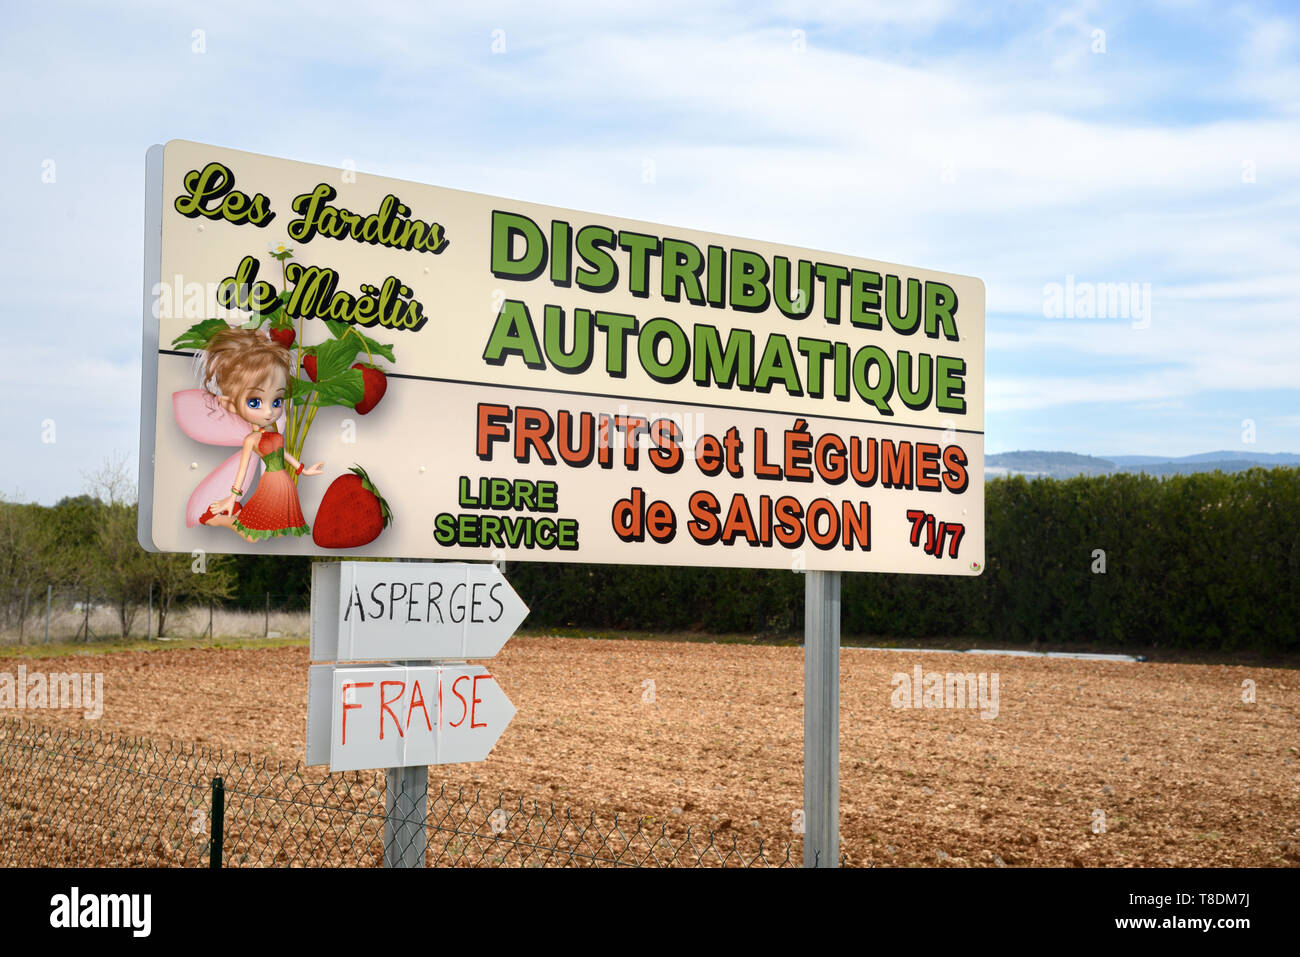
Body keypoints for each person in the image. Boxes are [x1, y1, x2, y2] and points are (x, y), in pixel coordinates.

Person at [195, 327, 323, 541]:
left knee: (275, 530)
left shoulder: (272, 430)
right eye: (255, 402)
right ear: (230, 405)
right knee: (254, 535)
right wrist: (231, 497)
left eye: (277, 401)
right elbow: (242, 471)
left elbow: (281, 454)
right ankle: (219, 518)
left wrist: (303, 469)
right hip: (270, 485)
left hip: (283, 484)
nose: (269, 412)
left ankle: (234, 513)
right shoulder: (251, 440)